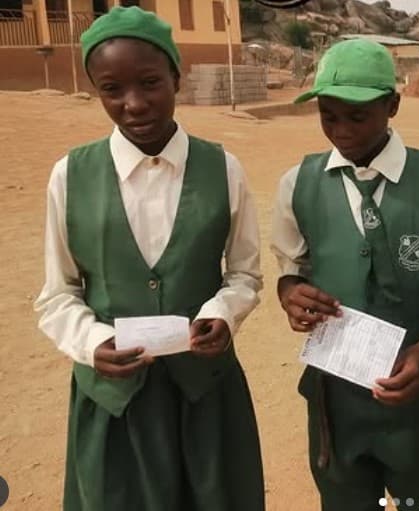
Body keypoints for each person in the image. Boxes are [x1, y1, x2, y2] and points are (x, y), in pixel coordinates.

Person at [33, 7, 265, 510]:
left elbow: (245, 273)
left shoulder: (224, 169)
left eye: (150, 83)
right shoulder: (70, 177)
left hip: (205, 396)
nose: (134, 104)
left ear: (176, 78)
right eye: (111, 89)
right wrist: (94, 343)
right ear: (96, 89)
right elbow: (58, 294)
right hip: (115, 407)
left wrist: (222, 314)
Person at [271, 39, 419, 511]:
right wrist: (291, 295)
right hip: (334, 399)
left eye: (357, 116)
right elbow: (290, 272)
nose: (341, 130)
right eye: (328, 115)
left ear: (393, 105)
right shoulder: (297, 184)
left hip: (416, 394)